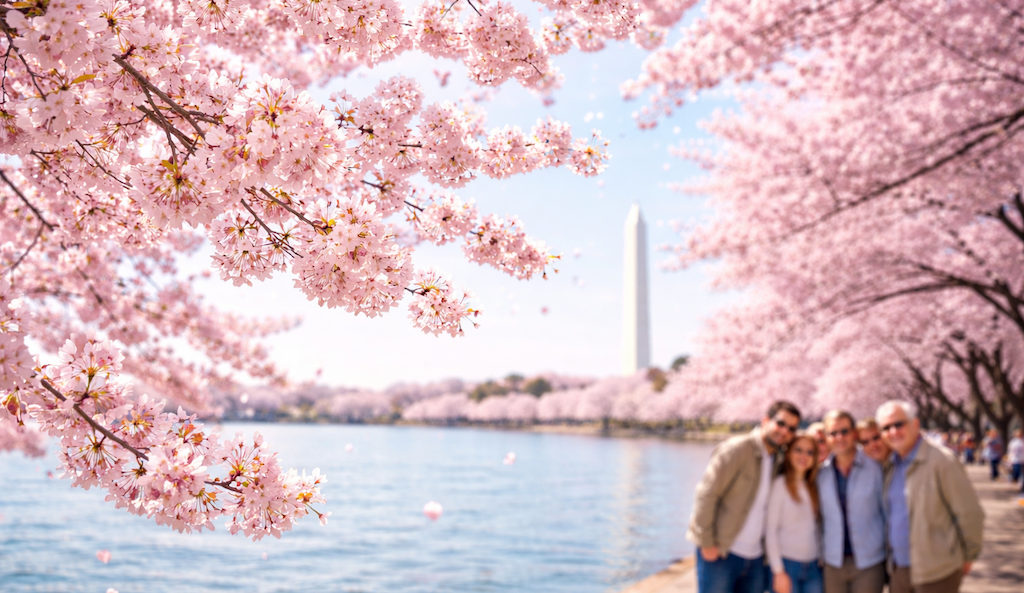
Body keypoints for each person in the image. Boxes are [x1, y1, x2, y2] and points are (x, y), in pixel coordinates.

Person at [688, 400, 802, 593]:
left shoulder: (778, 459)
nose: (784, 431)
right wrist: (707, 543)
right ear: (765, 420)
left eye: (791, 429)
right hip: (723, 554)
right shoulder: (738, 449)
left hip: (755, 560)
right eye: (780, 423)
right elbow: (706, 494)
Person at [877, 401, 984, 593]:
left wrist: (969, 555)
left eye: (898, 424)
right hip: (899, 570)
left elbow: (969, 512)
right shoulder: (891, 465)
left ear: (915, 424)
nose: (893, 432)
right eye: (886, 427)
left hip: (937, 570)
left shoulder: (942, 461)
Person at [818, 410, 886, 593]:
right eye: (833, 433)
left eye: (844, 431)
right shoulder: (820, 474)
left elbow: (886, 512)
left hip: (869, 562)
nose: (839, 437)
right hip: (832, 563)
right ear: (826, 437)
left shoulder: (876, 469)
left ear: (854, 433)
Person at [766, 432, 822, 593]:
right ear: (788, 453)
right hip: (787, 565)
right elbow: (771, 531)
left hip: (813, 566)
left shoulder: (813, 487)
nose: (804, 456)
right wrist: (778, 570)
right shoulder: (780, 485)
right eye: (798, 450)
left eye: (810, 452)